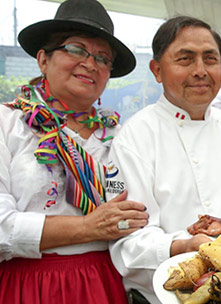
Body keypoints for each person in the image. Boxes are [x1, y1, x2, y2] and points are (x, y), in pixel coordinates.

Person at [0, 0, 148, 303]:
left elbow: (138, 213)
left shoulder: (120, 137)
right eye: (76, 49)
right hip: (28, 284)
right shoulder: (8, 123)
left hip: (105, 282)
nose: (90, 63)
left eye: (102, 58)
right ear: (43, 59)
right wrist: (88, 227)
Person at [106, 16, 221, 303]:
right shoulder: (135, 136)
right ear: (157, 70)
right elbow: (128, 243)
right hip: (169, 295)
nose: (200, 71)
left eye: (210, 59)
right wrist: (183, 246)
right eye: (185, 59)